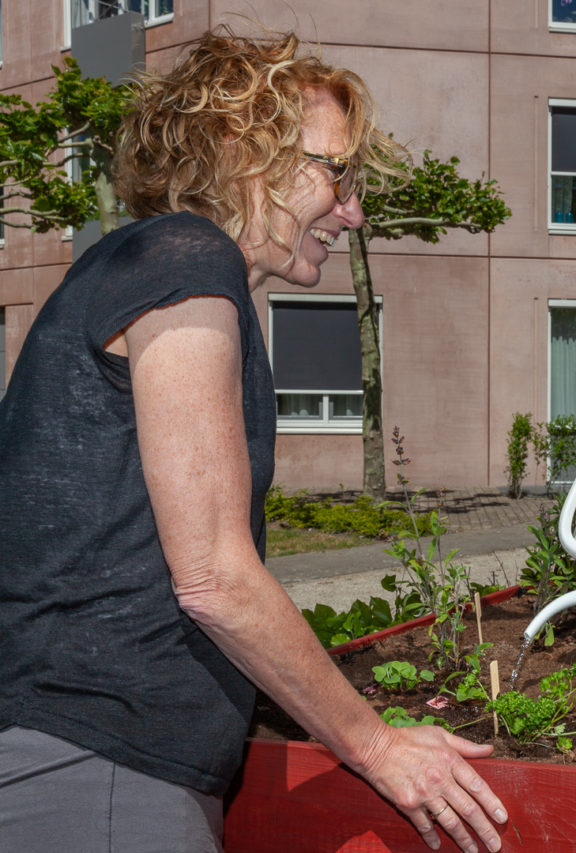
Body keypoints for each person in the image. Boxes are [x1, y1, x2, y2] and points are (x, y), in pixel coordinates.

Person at [0, 30, 506, 853]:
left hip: (91, 762)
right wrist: (376, 744)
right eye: (337, 173)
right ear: (243, 147)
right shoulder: (186, 257)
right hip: (94, 772)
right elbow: (213, 578)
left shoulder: (144, 267)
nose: (353, 209)